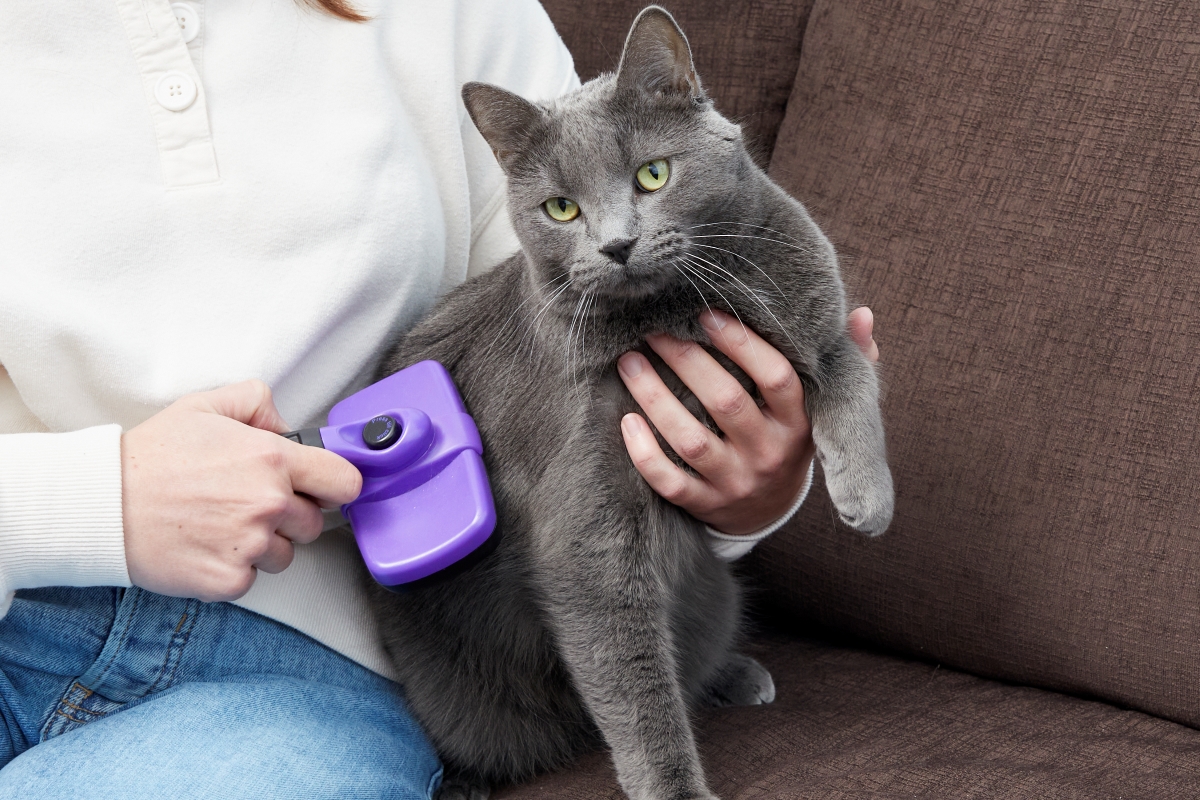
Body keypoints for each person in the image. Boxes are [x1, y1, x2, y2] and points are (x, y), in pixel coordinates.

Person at [0, 0, 879, 797]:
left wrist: (746, 489)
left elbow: (584, 390)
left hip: (332, 651)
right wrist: (89, 502)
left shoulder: (456, 17)